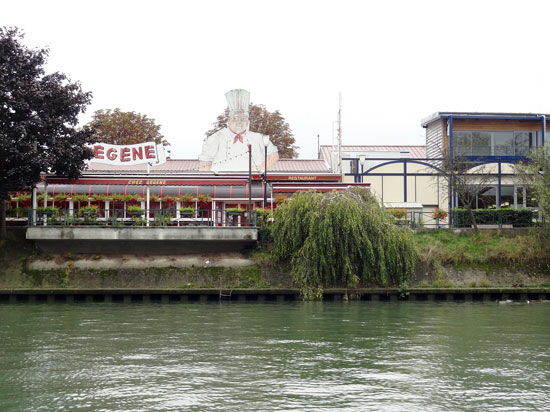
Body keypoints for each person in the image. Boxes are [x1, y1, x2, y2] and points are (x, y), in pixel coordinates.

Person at [199, 89, 279, 172]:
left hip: (252, 182)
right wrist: (209, 181)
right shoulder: (216, 138)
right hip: (222, 181)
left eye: (243, 119)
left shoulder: (258, 138)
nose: (239, 122)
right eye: (235, 118)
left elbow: (274, 154)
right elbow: (204, 163)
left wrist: (261, 167)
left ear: (248, 122)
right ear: (228, 121)